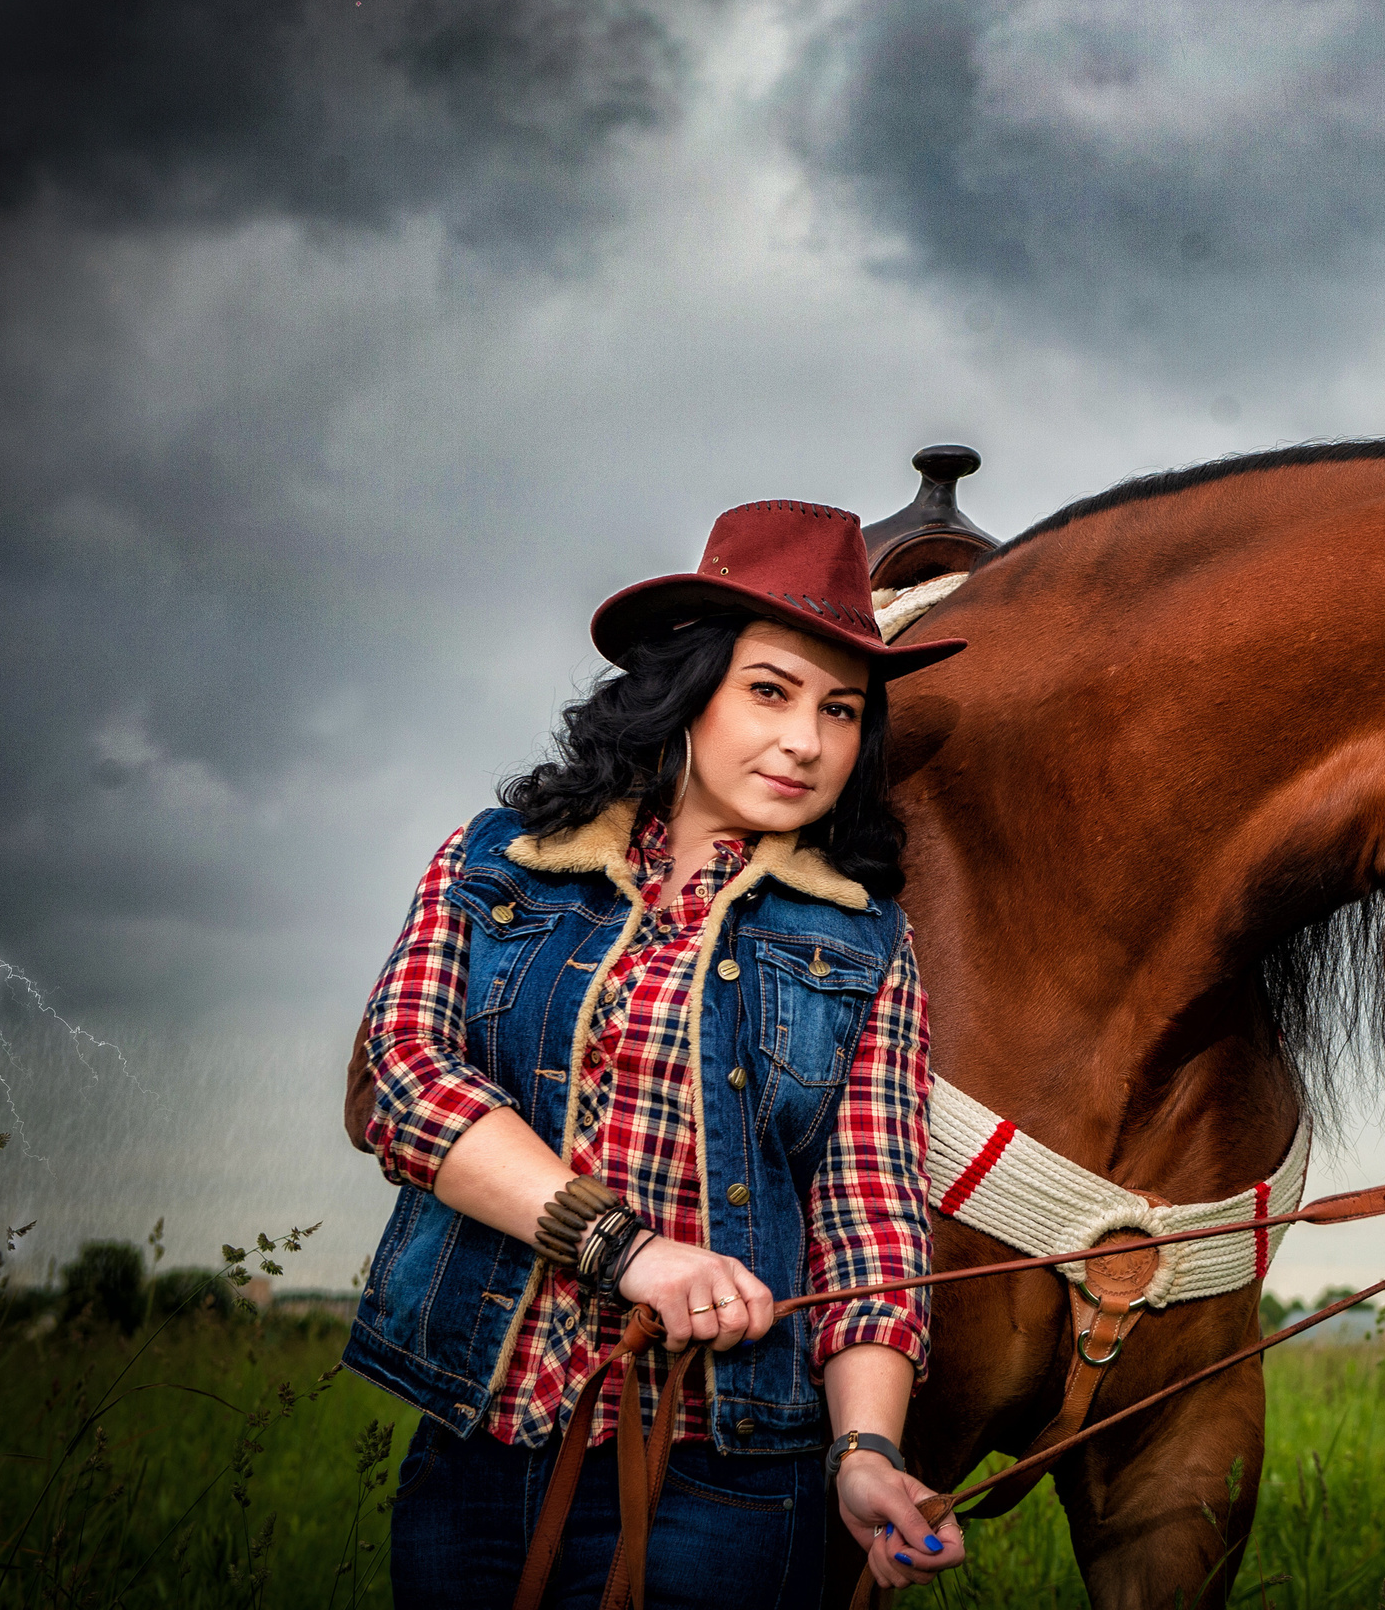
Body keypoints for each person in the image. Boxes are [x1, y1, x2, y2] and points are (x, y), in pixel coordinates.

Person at [343, 500, 969, 1607]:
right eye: (769, 692)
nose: (806, 741)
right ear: (686, 692)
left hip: (726, 1476)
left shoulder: (864, 941)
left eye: (841, 709)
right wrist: (627, 1251)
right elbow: (402, 1080)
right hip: (480, 1439)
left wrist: (864, 1453)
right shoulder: (498, 866)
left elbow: (868, 1215)